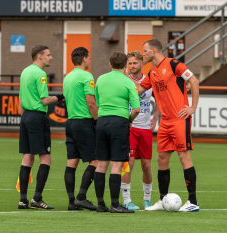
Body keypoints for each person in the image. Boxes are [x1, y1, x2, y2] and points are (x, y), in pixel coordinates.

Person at [130, 39, 200, 212]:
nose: (143, 53)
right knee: (162, 159)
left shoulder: (174, 64)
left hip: (179, 119)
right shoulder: (152, 72)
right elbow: (138, 90)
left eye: (145, 50)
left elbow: (194, 82)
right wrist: (121, 76)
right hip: (165, 122)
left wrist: (192, 107)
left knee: (184, 158)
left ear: (154, 50)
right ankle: (162, 200)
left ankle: (193, 202)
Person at [18, 45, 64, 210]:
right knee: (46, 158)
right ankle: (37, 198)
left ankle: (23, 200)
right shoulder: (40, 74)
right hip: (37, 117)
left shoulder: (25, 71)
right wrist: (61, 96)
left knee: (27, 159)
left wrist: (25, 117)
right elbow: (44, 100)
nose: (51, 58)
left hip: (25, 117)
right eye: (48, 55)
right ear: (39, 56)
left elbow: (21, 101)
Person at [93, 52, 140, 213]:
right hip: (119, 123)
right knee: (117, 165)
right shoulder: (128, 82)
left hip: (102, 122)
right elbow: (136, 109)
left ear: (110, 64)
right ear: (126, 64)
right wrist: (129, 119)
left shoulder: (100, 79)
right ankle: (115, 204)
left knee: (101, 164)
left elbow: (98, 102)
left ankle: (100, 204)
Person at [121, 51, 160, 210]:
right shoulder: (124, 80)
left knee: (147, 166)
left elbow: (159, 98)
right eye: (129, 63)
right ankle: (126, 200)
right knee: (128, 163)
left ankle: (147, 199)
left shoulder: (149, 80)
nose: (132, 66)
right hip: (130, 127)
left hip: (145, 129)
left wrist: (155, 116)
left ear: (142, 63)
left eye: (135, 63)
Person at [63, 47, 98, 211]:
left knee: (72, 162)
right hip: (84, 122)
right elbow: (90, 103)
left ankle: (71, 201)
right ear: (84, 58)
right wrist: (98, 120)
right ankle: (81, 197)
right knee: (95, 161)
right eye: (89, 57)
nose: (89, 60)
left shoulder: (67, 77)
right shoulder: (87, 76)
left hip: (70, 122)